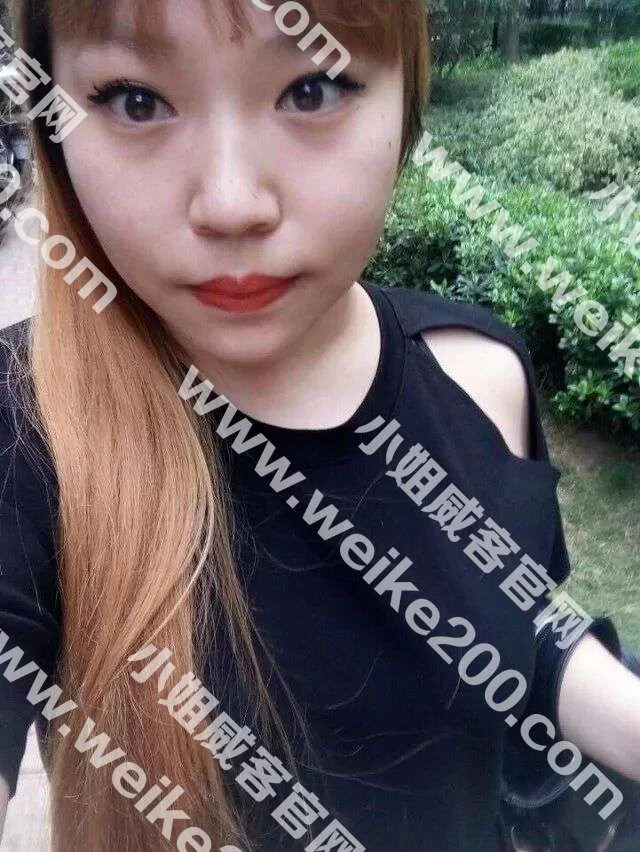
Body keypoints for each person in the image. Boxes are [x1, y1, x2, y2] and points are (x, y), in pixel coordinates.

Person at [0, 1, 638, 850]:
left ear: (407, 104)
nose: (231, 205)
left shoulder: (481, 375)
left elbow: (510, 630)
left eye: (312, 88)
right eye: (135, 100)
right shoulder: (25, 427)